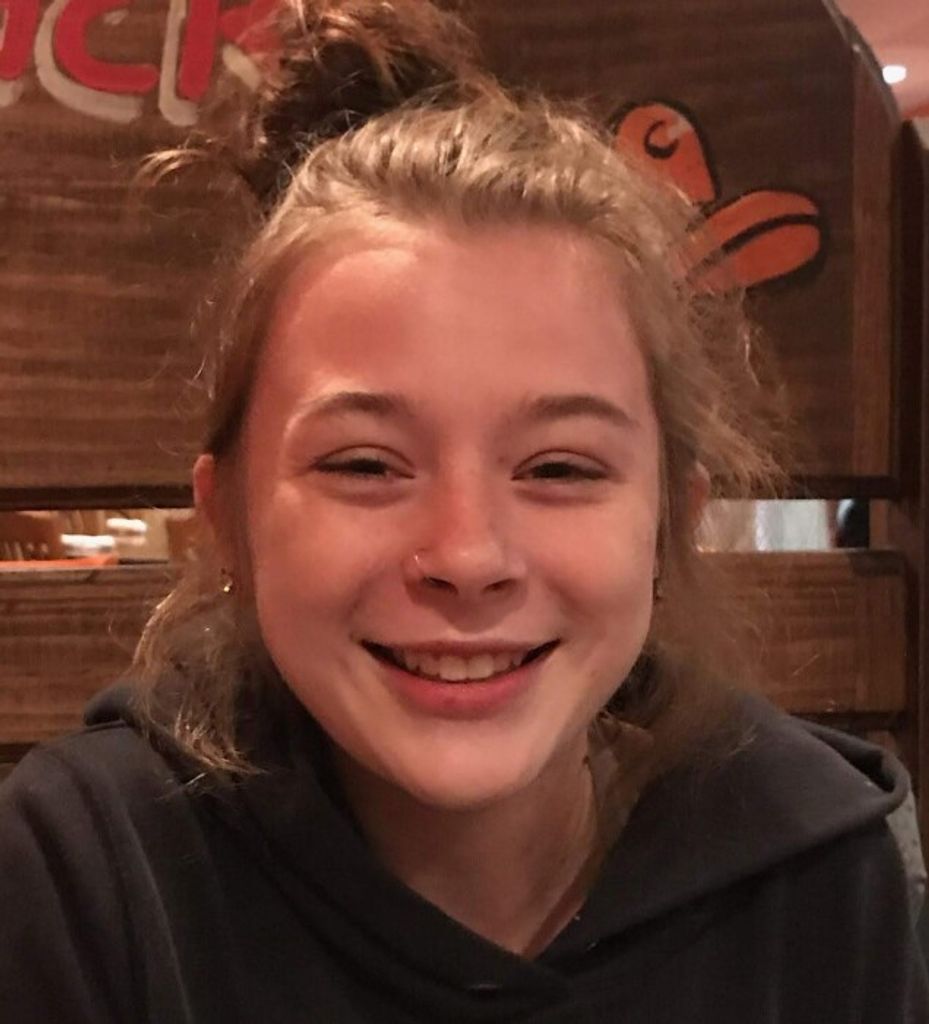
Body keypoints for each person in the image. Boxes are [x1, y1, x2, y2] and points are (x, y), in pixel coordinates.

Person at [1, 1, 926, 1020]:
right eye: (365, 464)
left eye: (559, 468)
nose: (466, 554)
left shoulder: (818, 876)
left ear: (669, 524)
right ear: (229, 523)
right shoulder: (87, 877)